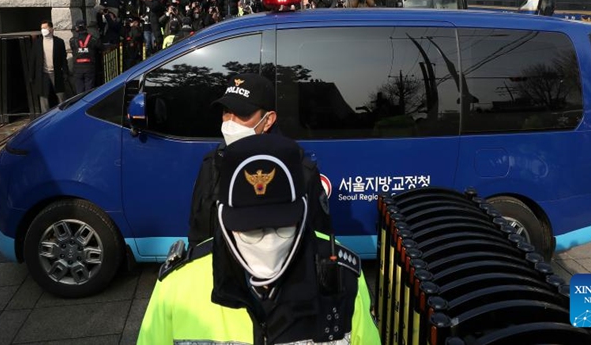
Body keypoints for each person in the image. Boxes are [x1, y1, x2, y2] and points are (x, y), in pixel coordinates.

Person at [139, 133, 380, 344]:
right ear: (223, 219)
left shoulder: (342, 279)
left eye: (283, 227)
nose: (269, 242)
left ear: (304, 213)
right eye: (251, 230)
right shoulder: (177, 287)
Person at [188, 73, 331, 249]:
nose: (230, 122)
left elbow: (320, 241)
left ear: (268, 120)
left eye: (242, 114)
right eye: (226, 112)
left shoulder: (300, 171)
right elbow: (198, 234)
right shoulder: (212, 164)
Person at [30, 20, 69, 112]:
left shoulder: (59, 42)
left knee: (60, 95)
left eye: (45, 28)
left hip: (56, 72)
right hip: (43, 73)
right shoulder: (38, 43)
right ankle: (45, 116)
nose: (43, 30)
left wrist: (66, 72)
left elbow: (63, 59)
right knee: (44, 97)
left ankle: (62, 113)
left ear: (51, 29)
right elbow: (33, 60)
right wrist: (31, 76)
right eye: (41, 28)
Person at [69, 19, 101, 94]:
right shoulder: (93, 39)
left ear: (76, 28)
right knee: (89, 91)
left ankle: (81, 104)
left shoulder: (72, 40)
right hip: (89, 67)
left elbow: (73, 49)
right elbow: (101, 47)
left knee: (79, 92)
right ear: (86, 27)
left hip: (77, 68)